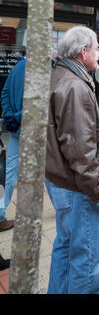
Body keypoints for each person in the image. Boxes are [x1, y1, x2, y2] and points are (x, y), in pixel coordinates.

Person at [45, 26, 99, 294]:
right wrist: (97, 189)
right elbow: (80, 149)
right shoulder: (74, 85)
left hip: (61, 181)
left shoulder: (63, 75)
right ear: (83, 52)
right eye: (96, 48)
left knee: (65, 245)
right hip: (76, 187)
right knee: (86, 258)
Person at [0, 57, 26, 232]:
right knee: (50, 171)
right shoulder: (44, 71)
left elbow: (5, 92)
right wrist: (16, 117)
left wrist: (10, 116)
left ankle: (0, 212)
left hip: (16, 129)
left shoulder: (18, 66)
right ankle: (64, 208)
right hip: (32, 129)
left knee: (9, 174)